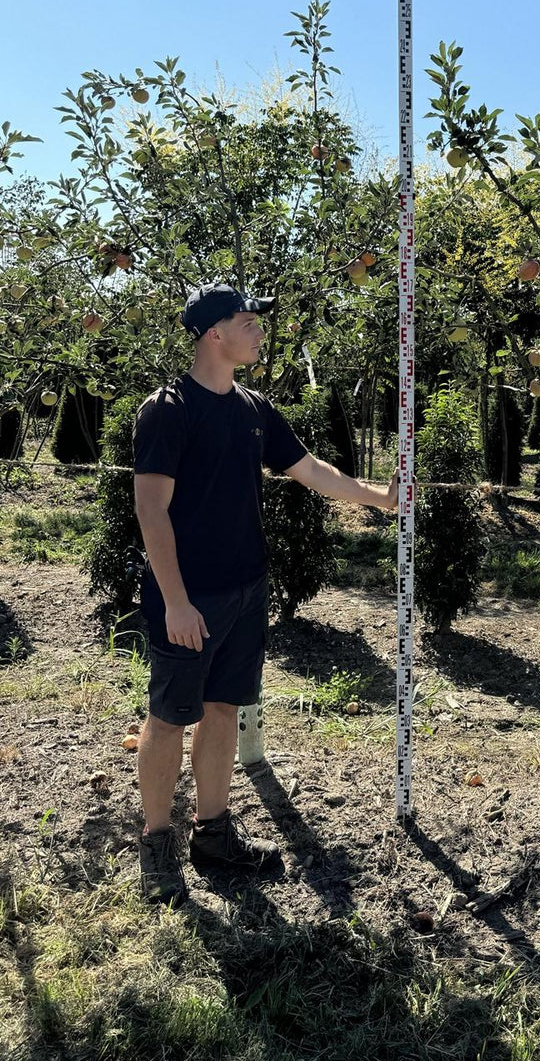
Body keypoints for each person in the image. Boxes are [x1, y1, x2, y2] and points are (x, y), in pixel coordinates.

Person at [133, 282, 398, 905]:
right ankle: (156, 844)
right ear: (212, 334)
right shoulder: (167, 409)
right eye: (247, 321)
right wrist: (175, 600)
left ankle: (213, 835)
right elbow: (151, 510)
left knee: (224, 709)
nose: (258, 331)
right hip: (188, 597)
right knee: (171, 717)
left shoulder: (253, 408)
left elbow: (309, 471)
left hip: (247, 590)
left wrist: (381, 498)